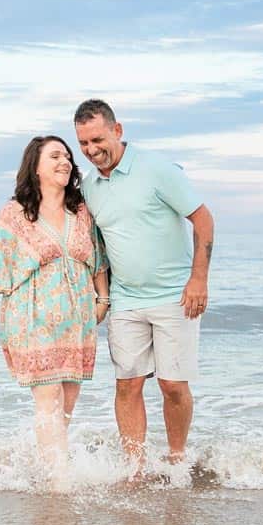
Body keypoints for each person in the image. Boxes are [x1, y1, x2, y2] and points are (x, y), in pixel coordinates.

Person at [73, 99, 214, 482]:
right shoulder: (89, 186)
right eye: (83, 143)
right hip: (125, 300)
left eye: (97, 139)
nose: (90, 150)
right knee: (128, 384)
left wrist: (198, 278)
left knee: (172, 385)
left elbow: (203, 219)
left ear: (118, 131)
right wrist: (100, 295)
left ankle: (176, 457)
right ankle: (135, 469)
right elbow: (94, 245)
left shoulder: (158, 169)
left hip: (174, 296)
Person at [0, 136, 110, 490]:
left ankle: (48, 467)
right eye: (55, 156)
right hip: (31, 318)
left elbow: (97, 259)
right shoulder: (15, 214)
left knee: (67, 402)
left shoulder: (80, 212)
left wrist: (103, 299)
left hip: (77, 320)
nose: (64, 161)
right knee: (47, 397)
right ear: (35, 166)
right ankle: (59, 483)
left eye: (67, 156)